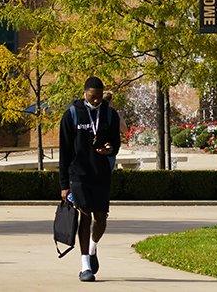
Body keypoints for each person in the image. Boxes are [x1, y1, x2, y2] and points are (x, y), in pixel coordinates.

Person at [59, 77, 122, 283]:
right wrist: (64, 185)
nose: (96, 101)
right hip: (79, 174)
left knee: (101, 218)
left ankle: (93, 248)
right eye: (92, 97)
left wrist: (110, 149)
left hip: (101, 173)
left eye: (99, 98)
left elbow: (116, 143)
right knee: (84, 215)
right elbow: (65, 152)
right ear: (85, 93)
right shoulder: (72, 114)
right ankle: (85, 265)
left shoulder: (110, 114)